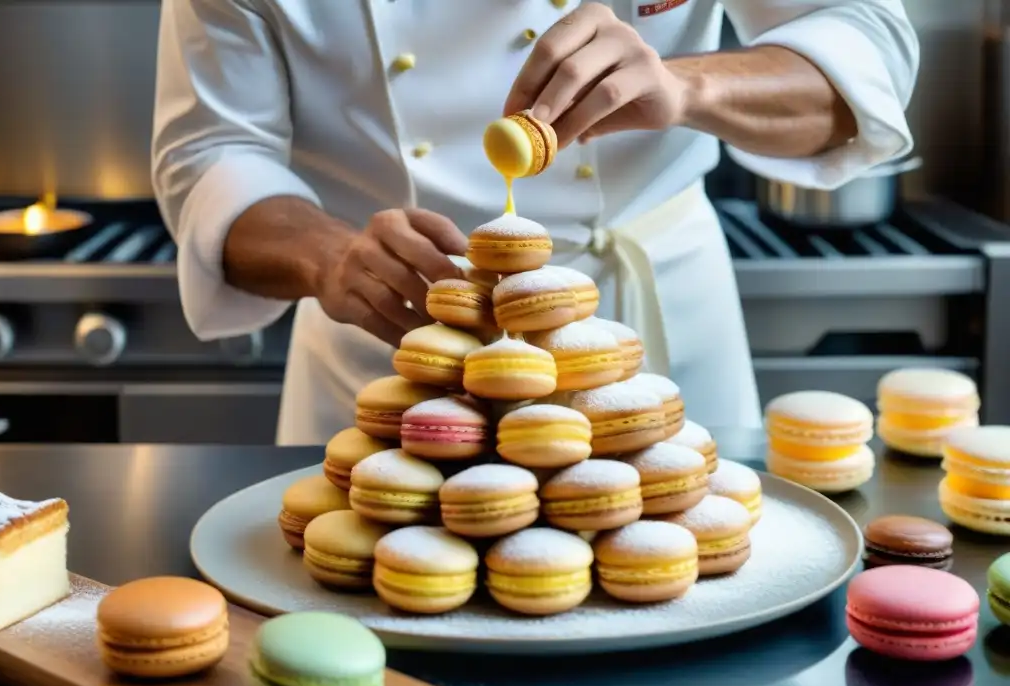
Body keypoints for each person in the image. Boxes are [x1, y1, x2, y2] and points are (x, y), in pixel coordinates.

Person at [152, 1, 918, 446]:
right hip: (391, 342)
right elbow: (211, 152)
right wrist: (330, 258)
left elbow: (867, 47)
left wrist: (688, 85)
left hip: (661, 335)